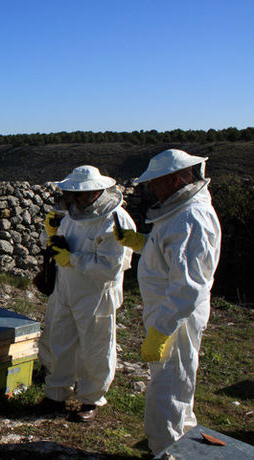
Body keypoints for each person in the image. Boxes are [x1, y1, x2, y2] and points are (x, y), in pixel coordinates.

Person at [114, 149, 221, 454]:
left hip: (176, 318)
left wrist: (161, 329)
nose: (152, 190)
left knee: (168, 390)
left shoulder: (190, 218)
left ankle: (166, 448)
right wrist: (140, 244)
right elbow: (172, 258)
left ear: (175, 180)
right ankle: (182, 442)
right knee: (178, 383)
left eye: (156, 183)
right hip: (170, 313)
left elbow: (189, 285)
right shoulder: (180, 214)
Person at [38, 165, 135, 422]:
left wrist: (73, 259)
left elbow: (111, 268)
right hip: (65, 288)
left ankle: (91, 400)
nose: (71, 199)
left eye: (76, 194)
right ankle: (56, 393)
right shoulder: (72, 214)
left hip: (96, 293)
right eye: (69, 193)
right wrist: (50, 236)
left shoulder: (116, 220)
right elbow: (56, 243)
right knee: (58, 340)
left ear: (95, 193)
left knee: (96, 347)